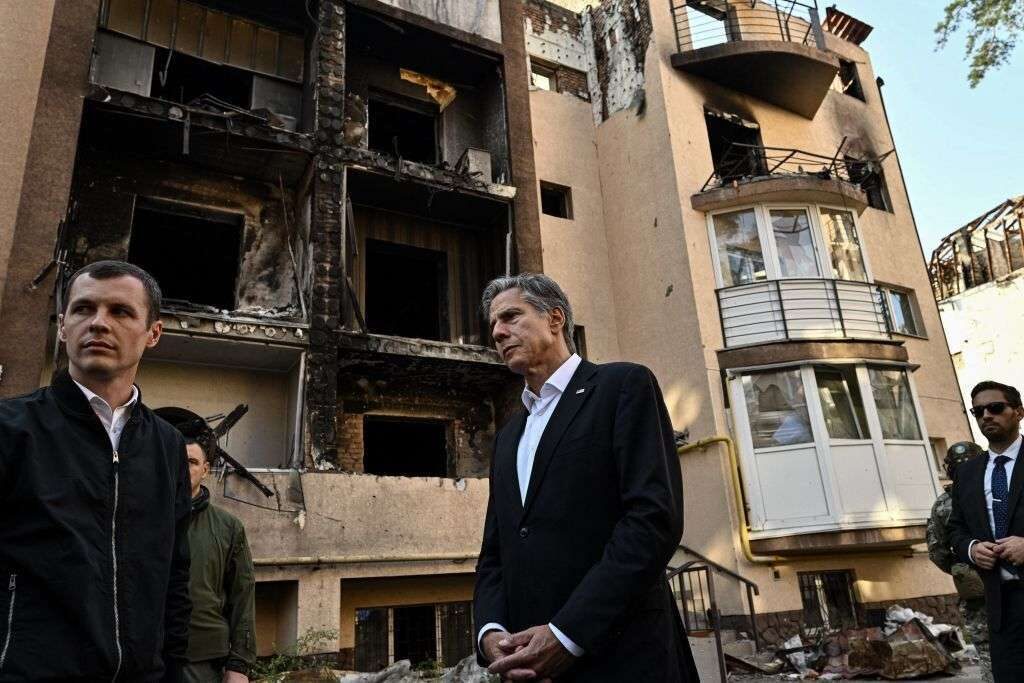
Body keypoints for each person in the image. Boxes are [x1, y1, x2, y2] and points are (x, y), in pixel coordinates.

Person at [473, 273, 698, 682]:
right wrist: (490, 633)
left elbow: (652, 520)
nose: (498, 332)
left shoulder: (622, 386)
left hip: (625, 659)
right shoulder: (507, 437)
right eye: (493, 325)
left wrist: (567, 635)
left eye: (510, 317)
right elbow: (496, 550)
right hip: (531, 668)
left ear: (555, 319)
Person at [0, 260, 191, 681]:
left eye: (120, 312)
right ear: (64, 326)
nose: (99, 323)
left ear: (153, 334)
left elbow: (175, 577)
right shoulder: (12, 429)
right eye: (84, 309)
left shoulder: (168, 446)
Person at [154, 407, 257, 683]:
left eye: (190, 461)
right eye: (173, 459)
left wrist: (239, 665)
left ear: (206, 470)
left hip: (200, 661)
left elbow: (242, 598)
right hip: (144, 656)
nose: (180, 468)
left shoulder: (227, 528)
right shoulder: (137, 520)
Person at [950, 381, 1024, 681]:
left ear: (1018, 412)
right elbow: (956, 529)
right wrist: (971, 548)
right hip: (1000, 605)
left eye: (995, 408)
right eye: (978, 411)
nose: (986, 416)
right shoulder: (967, 474)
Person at [927, 441, 990, 681]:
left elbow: (937, 552)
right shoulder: (1000, 489)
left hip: (977, 587)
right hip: (992, 584)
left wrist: (961, 566)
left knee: (990, 652)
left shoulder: (943, 505)